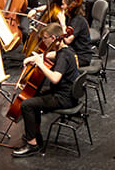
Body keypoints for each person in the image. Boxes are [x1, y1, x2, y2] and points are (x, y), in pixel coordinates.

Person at [12, 22, 80, 157]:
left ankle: (32, 145)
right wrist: (37, 57)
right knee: (35, 95)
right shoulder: (66, 50)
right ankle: (35, 134)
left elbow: (55, 78)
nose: (43, 41)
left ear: (54, 38)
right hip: (67, 94)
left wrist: (39, 64)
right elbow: (55, 54)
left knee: (27, 104)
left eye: (45, 38)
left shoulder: (64, 56)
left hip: (63, 98)